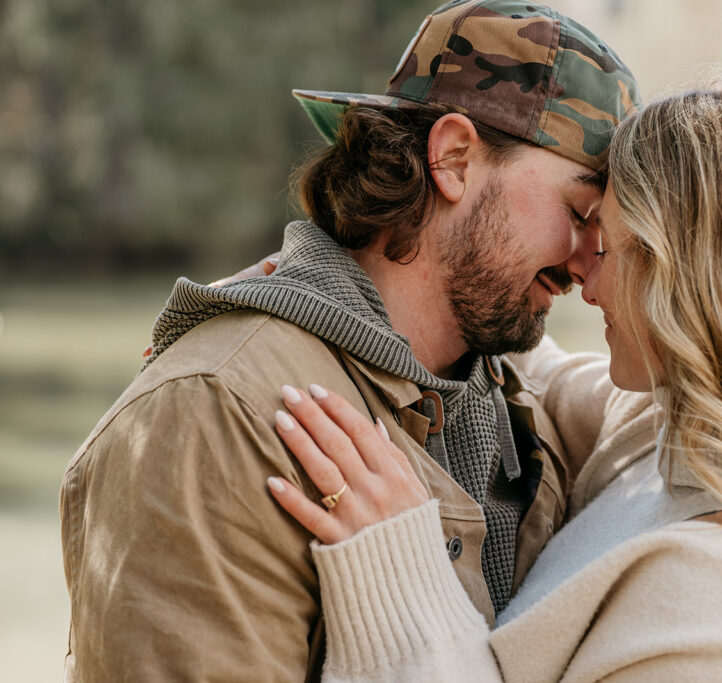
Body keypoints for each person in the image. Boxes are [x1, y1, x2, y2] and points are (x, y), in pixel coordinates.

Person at [267, 81, 722, 681]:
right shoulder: (676, 436)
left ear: (701, 284)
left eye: (611, 248)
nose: (585, 283)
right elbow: (518, 362)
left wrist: (397, 566)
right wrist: (323, 287)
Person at [59, 1, 642, 680]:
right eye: (579, 213)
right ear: (453, 158)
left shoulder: (504, 401)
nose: (590, 263)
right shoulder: (218, 415)